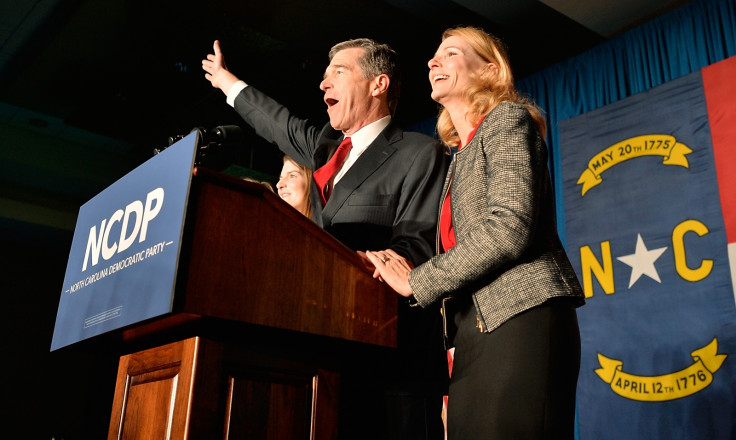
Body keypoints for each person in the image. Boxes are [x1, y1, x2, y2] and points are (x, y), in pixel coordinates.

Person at [203, 38, 450, 439]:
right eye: (323, 75)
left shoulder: (420, 153)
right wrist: (227, 81)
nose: (323, 84)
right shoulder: (324, 148)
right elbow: (276, 121)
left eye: (338, 72)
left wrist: (356, 264)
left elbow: (417, 245)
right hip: (326, 358)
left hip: (394, 365)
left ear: (378, 84)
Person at [366, 27, 586, 439]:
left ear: (489, 69)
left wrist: (417, 280)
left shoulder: (506, 120)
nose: (433, 62)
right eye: (433, 56)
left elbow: (508, 228)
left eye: (450, 53)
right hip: (474, 335)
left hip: (521, 318)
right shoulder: (456, 157)